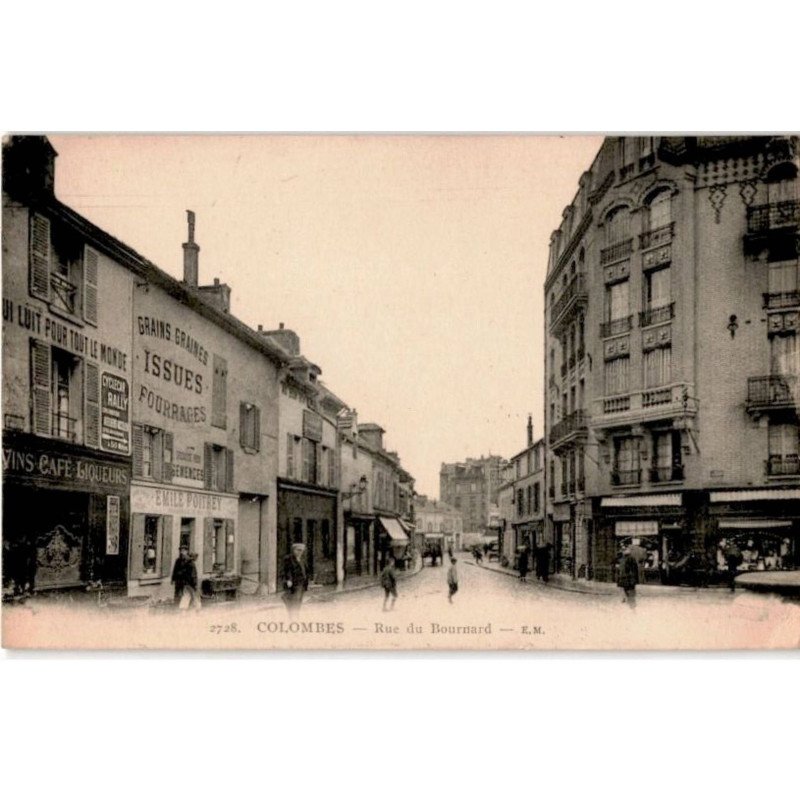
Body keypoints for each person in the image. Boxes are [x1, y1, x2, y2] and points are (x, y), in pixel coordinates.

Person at [283, 543, 309, 617]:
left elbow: (305, 570)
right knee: (294, 599)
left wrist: (307, 581)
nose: (300, 552)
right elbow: (287, 570)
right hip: (294, 582)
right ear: (294, 550)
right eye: (298, 550)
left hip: (302, 583)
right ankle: (292, 615)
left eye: (302, 550)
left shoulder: (302, 559)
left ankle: (296, 614)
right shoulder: (289, 558)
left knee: (299, 600)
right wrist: (289, 580)